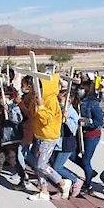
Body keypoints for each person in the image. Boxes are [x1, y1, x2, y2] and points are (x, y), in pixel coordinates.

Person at [28, 73, 72, 201]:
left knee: (41, 165)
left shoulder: (51, 100)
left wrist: (41, 106)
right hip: (39, 134)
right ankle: (44, 190)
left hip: (48, 136)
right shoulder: (39, 98)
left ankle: (62, 182)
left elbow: (46, 119)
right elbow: (33, 114)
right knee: (39, 165)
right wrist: (34, 102)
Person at [50, 89, 84, 199]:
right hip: (56, 141)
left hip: (66, 143)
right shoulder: (59, 108)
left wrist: (67, 119)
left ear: (68, 100)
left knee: (57, 167)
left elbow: (74, 129)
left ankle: (76, 180)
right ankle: (63, 189)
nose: (58, 101)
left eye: (60, 99)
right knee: (53, 166)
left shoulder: (72, 112)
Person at [72, 80, 104, 195]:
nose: (79, 91)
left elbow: (99, 121)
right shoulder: (78, 101)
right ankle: (90, 172)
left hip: (92, 135)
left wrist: (87, 124)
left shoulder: (94, 104)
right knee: (72, 154)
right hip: (80, 133)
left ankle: (88, 184)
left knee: (86, 160)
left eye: (82, 88)